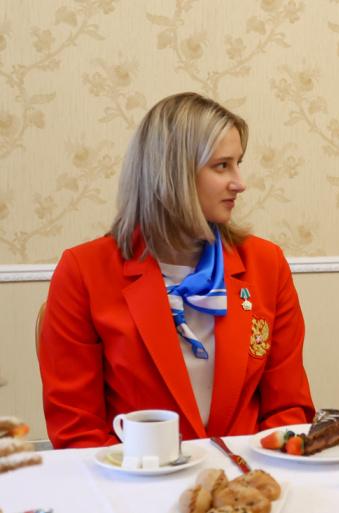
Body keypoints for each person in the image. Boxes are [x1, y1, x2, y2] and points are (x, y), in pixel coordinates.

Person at [39, 92, 315, 448]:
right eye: (222, 166)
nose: (239, 182)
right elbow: (78, 432)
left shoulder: (266, 264)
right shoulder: (84, 272)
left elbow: (289, 409)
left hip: (245, 475)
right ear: (173, 174)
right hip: (137, 477)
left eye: (238, 163)